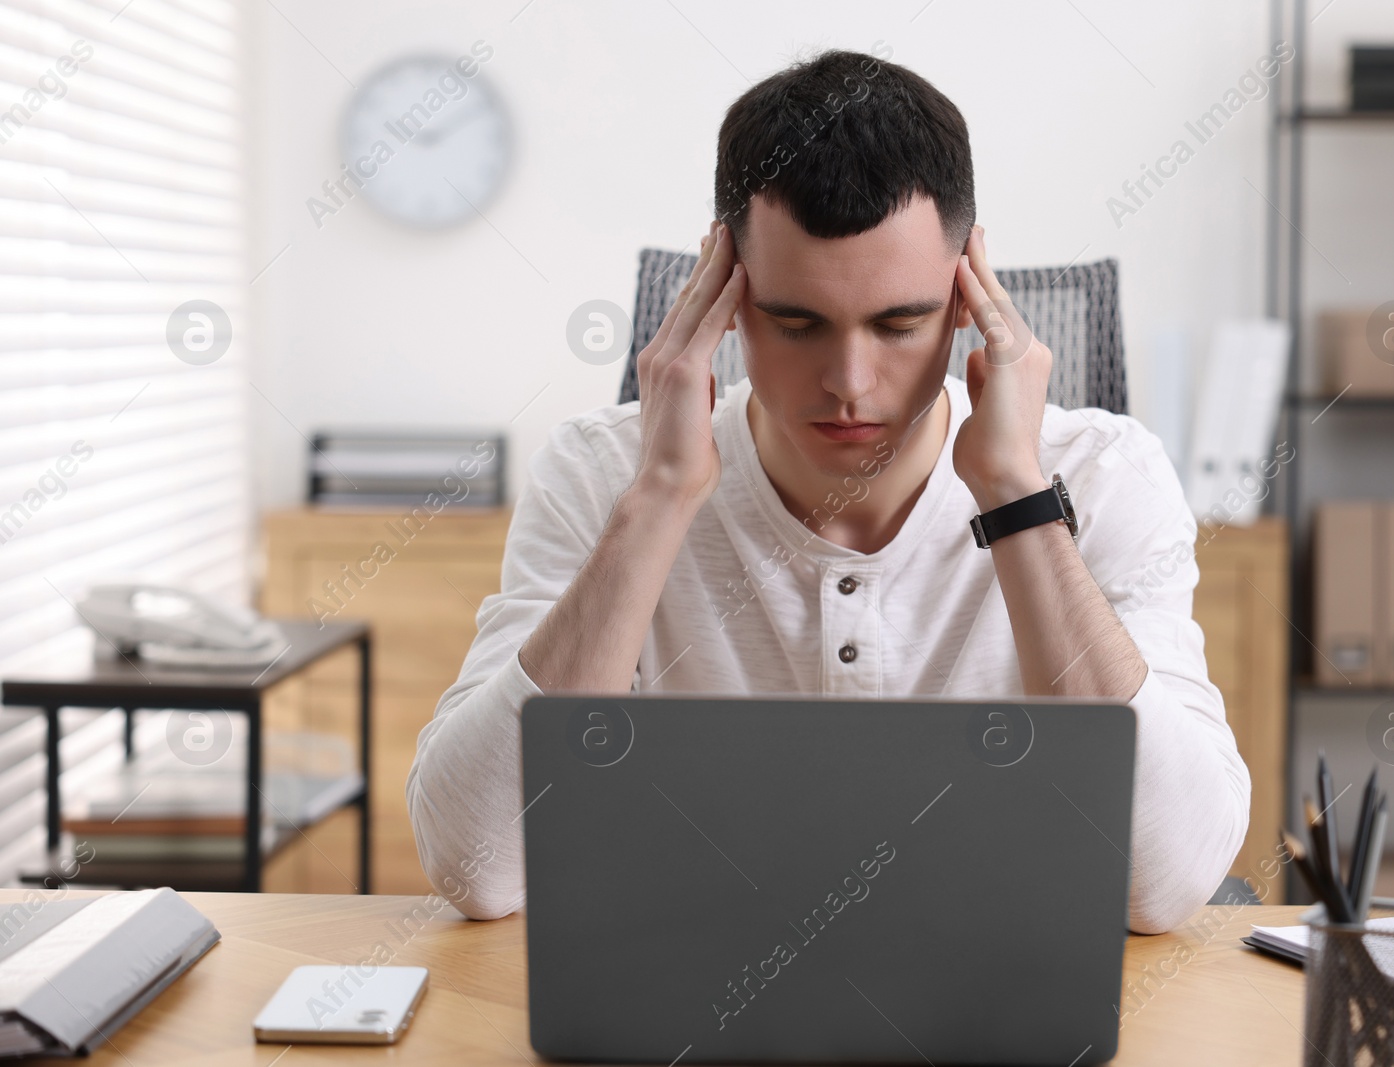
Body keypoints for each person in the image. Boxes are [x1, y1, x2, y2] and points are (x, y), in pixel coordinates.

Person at [407, 48, 1249, 934]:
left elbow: (1163, 883)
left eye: (899, 323)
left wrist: (1015, 495)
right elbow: (478, 866)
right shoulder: (601, 473)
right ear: (722, 294)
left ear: (969, 296)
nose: (849, 381)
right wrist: (659, 496)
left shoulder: (1108, 476)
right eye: (797, 322)